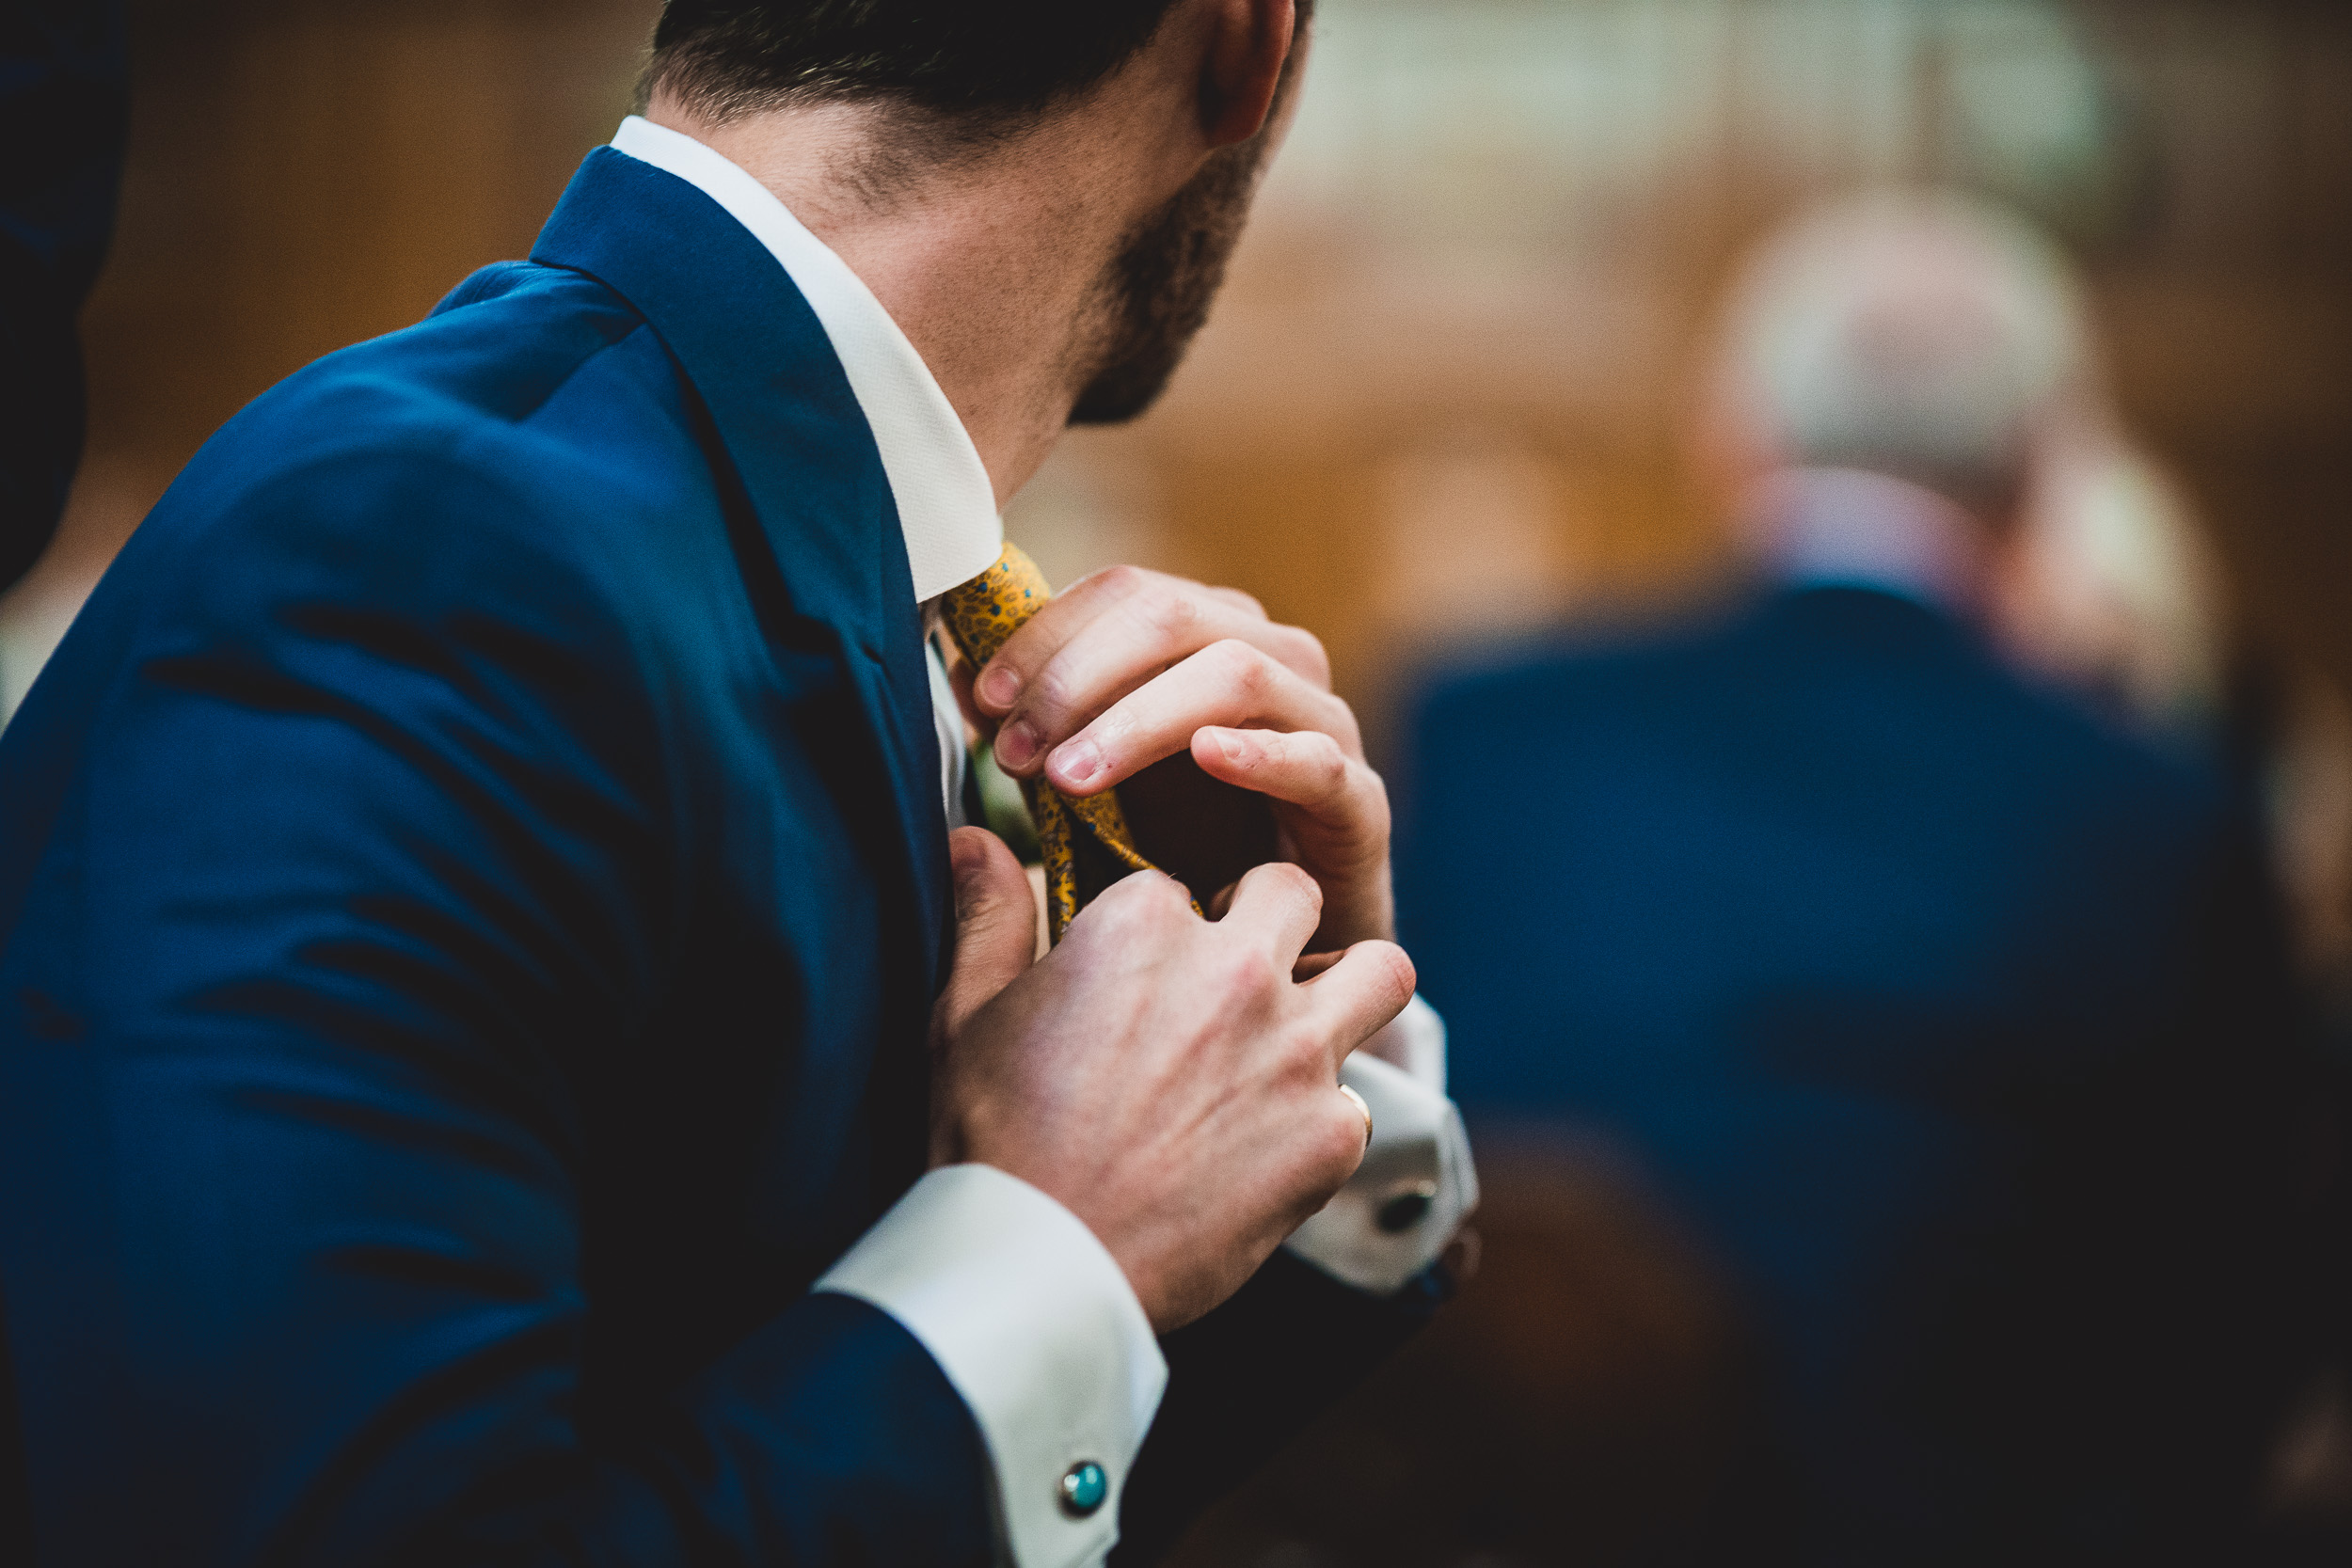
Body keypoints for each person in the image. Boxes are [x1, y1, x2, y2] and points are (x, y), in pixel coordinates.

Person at [0, 4, 1479, 1564]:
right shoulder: (420, 552)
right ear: (1248, 41)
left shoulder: (797, 541)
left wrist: (1281, 1042)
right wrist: (1056, 1242)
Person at [1399, 191, 2321, 1563]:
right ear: (2036, 464)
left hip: (1519, 1519)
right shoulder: (2161, 808)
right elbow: (2252, 1309)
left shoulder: (1486, 734)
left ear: (1731, 432)